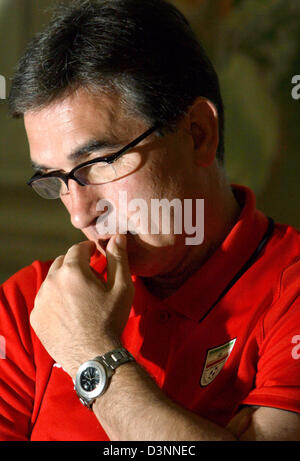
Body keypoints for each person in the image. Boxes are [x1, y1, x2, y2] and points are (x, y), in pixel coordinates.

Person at [1, 0, 299, 441]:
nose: (80, 212)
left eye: (100, 162)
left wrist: (91, 353)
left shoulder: (289, 289)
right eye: (55, 179)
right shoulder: (31, 305)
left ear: (198, 133)